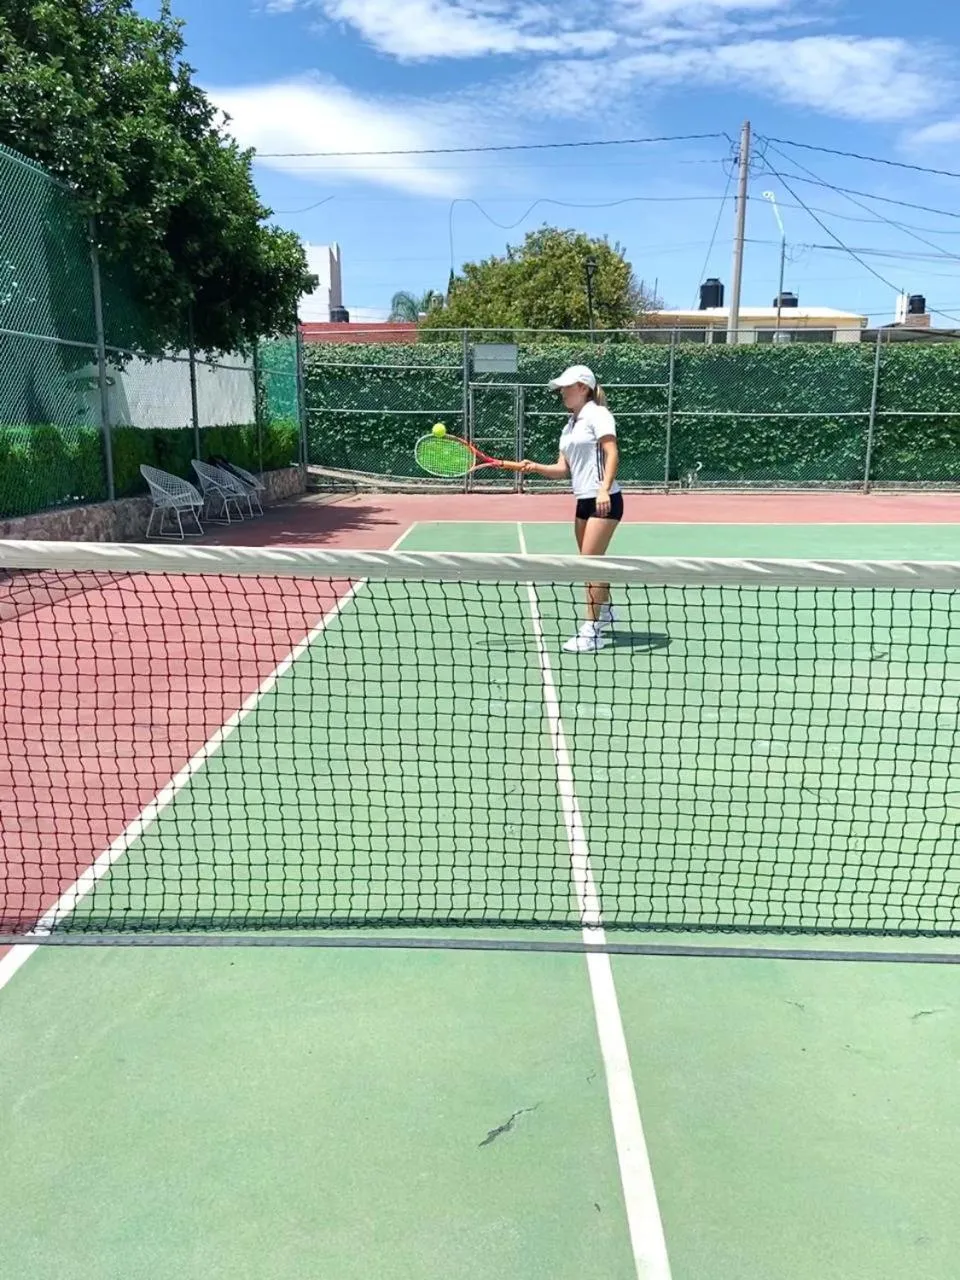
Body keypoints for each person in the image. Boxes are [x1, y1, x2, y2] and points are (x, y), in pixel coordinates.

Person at [522, 364, 622, 653]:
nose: (562, 392)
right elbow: (562, 469)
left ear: (583, 388)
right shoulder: (570, 425)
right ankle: (605, 611)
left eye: (567, 387)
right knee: (590, 562)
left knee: (589, 564)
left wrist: (604, 487)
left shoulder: (598, 414)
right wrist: (536, 467)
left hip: (605, 499)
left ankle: (592, 632)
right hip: (583, 500)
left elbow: (612, 452)